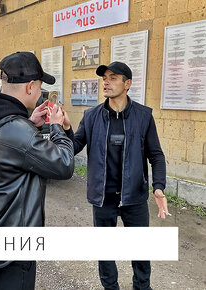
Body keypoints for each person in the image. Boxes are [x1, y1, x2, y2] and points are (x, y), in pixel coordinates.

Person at [0, 51, 74, 290]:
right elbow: (65, 165)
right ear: (29, 87)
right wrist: (57, 128)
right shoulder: (18, 131)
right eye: (39, 88)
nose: (39, 94)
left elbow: (9, 152)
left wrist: (27, 121)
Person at [63, 61, 169, 290]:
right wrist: (64, 129)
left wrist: (158, 187)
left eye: (113, 77)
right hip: (103, 198)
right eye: (104, 78)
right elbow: (73, 147)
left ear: (127, 83)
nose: (106, 82)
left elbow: (157, 155)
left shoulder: (143, 116)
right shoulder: (91, 117)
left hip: (135, 197)